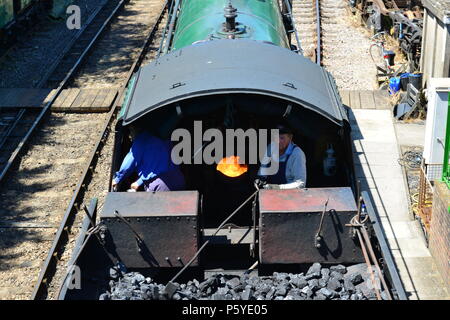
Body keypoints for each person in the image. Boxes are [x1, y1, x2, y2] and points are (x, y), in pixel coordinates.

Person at [112, 131, 185, 192]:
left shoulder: (140, 141)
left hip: (160, 186)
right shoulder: (164, 137)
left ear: (134, 129)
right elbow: (156, 169)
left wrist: (117, 179)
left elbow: (128, 164)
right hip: (178, 180)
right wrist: (138, 182)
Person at [258, 124, 306, 189]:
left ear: (290, 137)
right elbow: (263, 172)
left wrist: (278, 187)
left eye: (282, 138)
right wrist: (259, 180)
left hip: (290, 196)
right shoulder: (270, 148)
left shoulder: (297, 154)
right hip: (270, 193)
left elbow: (300, 184)